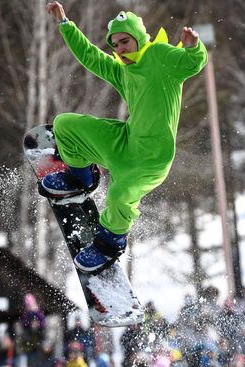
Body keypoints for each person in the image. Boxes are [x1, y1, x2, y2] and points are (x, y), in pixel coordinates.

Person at [44, 1, 208, 272]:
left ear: (138, 38)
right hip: (126, 144)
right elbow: (92, 57)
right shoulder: (124, 70)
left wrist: (193, 46)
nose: (119, 49)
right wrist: (65, 24)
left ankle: (110, 243)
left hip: (152, 161)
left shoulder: (159, 57)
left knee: (120, 194)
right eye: (115, 45)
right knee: (64, 125)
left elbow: (193, 64)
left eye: (124, 42)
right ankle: (81, 178)